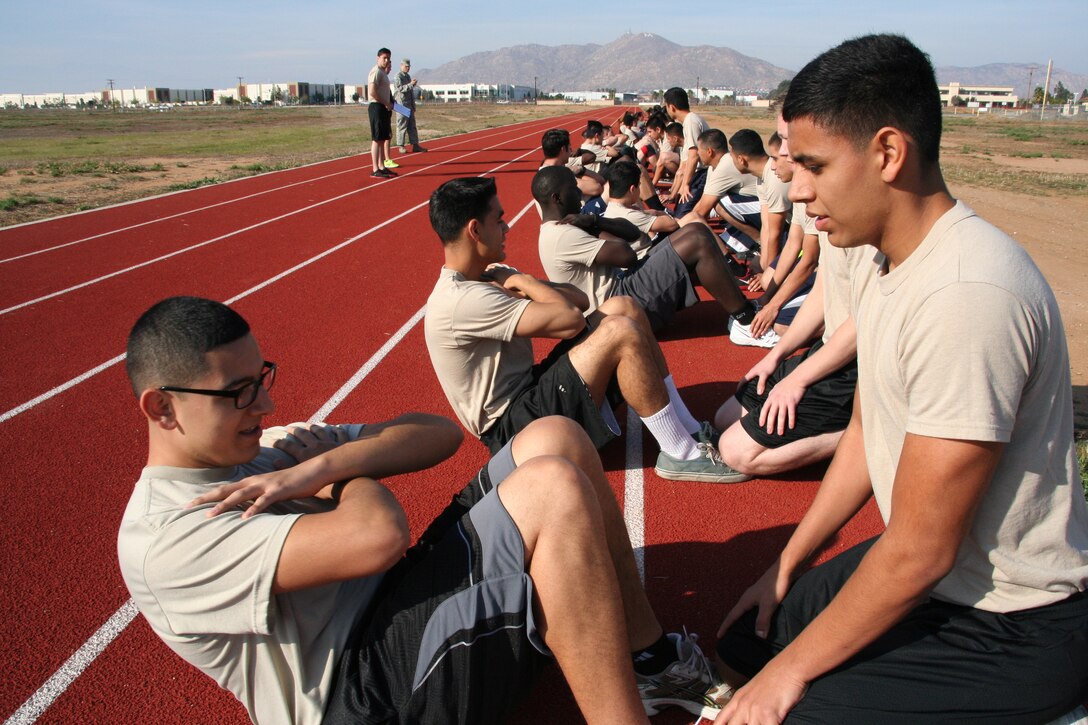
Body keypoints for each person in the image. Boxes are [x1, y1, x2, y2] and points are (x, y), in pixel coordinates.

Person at [117, 296, 729, 725]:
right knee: (552, 492)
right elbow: (377, 535)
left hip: (396, 608)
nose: (266, 402)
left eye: (262, 377)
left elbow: (435, 434)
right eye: (240, 392)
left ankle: (650, 662)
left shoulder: (271, 448)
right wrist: (338, 469)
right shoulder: (168, 535)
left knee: (555, 438)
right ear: (162, 409)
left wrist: (320, 465)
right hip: (358, 695)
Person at [714, 34, 1088, 725]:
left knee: (786, 707)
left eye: (815, 167)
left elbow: (920, 549)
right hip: (938, 579)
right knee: (747, 637)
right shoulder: (890, 264)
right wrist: (790, 561)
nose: (796, 189)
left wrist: (786, 678)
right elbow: (865, 428)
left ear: (888, 153)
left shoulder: (967, 293)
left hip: (1013, 617)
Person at [423, 176, 749, 484]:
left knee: (624, 307)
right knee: (619, 332)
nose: (507, 227)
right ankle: (681, 453)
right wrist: (522, 281)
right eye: (499, 220)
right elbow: (571, 320)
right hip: (513, 428)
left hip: (530, 394)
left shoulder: (483, 277)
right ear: (475, 230)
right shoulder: (464, 299)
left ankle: (689, 429)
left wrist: (524, 281)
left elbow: (579, 301)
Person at [712, 113, 872, 480]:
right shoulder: (821, 206)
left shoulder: (865, 223)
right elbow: (822, 289)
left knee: (735, 451)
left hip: (857, 368)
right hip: (828, 350)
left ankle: (863, 432)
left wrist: (797, 380)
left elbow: (862, 323)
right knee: (725, 418)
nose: (778, 158)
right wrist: (779, 356)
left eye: (792, 154)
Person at [534, 164, 775, 346]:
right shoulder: (562, 234)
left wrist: (594, 220)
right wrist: (595, 228)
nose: (579, 192)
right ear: (557, 198)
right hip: (616, 306)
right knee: (698, 241)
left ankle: (740, 307)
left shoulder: (566, 226)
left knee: (695, 229)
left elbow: (629, 233)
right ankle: (745, 321)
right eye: (573, 189)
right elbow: (626, 255)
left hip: (620, 291)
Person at [728, 129, 791, 276]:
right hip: (791, 229)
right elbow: (766, 225)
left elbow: (775, 232)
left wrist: (769, 272)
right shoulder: (761, 178)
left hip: (801, 233)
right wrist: (764, 263)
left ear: (741, 159)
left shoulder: (774, 177)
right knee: (757, 264)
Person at [662, 87, 709, 217]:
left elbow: (693, 156)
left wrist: (685, 185)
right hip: (699, 175)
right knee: (680, 211)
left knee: (682, 217)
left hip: (703, 175)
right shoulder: (688, 122)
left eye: (666, 106)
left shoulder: (691, 122)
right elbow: (683, 166)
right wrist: (674, 192)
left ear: (671, 107)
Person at [367, 47, 397, 178]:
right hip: (377, 107)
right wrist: (386, 103)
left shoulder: (382, 73)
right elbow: (372, 92)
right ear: (378, 58)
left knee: (382, 138)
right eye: (384, 58)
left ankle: (381, 166)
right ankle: (375, 168)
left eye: (388, 58)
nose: (386, 60)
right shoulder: (375, 72)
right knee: (377, 139)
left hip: (383, 108)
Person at [392, 58, 427, 154]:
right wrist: (411, 84)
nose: (408, 68)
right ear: (401, 65)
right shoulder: (398, 77)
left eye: (409, 67)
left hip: (408, 105)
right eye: (406, 66)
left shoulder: (407, 76)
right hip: (400, 105)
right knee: (402, 126)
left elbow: (410, 92)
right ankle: (401, 146)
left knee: (412, 126)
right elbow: (400, 89)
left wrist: (413, 105)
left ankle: (415, 145)